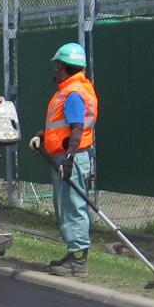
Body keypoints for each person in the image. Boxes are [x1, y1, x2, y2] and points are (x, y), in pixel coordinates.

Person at [28, 42, 98, 277]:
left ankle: (78, 262)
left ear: (67, 67)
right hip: (72, 156)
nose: (55, 70)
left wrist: (68, 160)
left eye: (58, 65)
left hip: (73, 158)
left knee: (72, 207)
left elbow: (77, 129)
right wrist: (42, 135)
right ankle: (73, 254)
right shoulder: (72, 89)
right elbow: (64, 128)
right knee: (67, 206)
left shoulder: (73, 94)